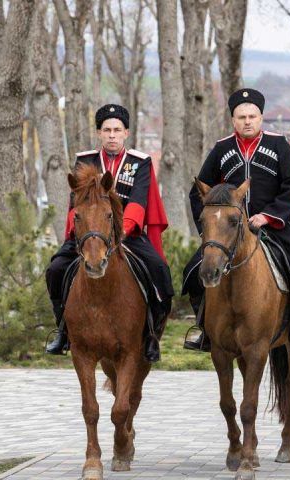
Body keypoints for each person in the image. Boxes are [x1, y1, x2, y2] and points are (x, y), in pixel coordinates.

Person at [182, 88, 290, 352]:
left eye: (252, 116)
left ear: (261, 118)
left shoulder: (279, 145)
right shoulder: (221, 149)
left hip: (272, 226)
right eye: (241, 117)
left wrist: (269, 216)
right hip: (228, 233)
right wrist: (210, 229)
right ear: (233, 120)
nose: (247, 121)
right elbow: (199, 191)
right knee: (192, 272)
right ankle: (204, 329)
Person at [44, 104, 174, 358]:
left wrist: (120, 230)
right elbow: (75, 205)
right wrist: (85, 232)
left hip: (127, 234)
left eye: (117, 130)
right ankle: (63, 331)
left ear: (126, 132)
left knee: (160, 271)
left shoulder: (140, 163)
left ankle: (151, 336)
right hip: (88, 234)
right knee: (55, 270)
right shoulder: (85, 161)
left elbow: (138, 203)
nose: (112, 135)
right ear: (99, 133)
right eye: (107, 130)